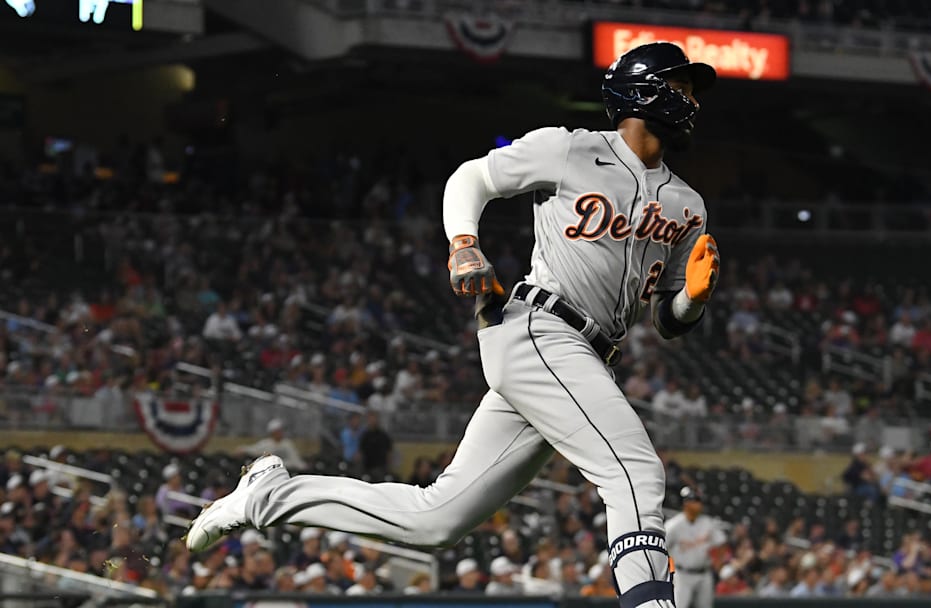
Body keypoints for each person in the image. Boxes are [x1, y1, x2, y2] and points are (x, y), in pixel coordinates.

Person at [185, 41, 721, 608]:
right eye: (682, 85)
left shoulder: (689, 205)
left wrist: (691, 299)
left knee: (437, 519)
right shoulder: (570, 149)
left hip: (584, 360)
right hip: (540, 329)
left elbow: (667, 321)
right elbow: (473, 178)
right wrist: (464, 244)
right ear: (643, 87)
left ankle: (268, 497)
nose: (691, 99)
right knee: (635, 473)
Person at [665, 487, 725, 608]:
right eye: (694, 501)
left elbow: (721, 542)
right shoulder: (673, 525)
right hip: (682, 575)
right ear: (685, 503)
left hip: (704, 574)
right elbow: (662, 549)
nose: (698, 504)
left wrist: (718, 562)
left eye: (698, 501)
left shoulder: (707, 523)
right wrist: (669, 570)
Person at [236, 418, 307, 470]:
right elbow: (254, 449)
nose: (280, 433)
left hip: (287, 470)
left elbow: (294, 459)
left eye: (281, 431)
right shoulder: (267, 443)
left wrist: (303, 467)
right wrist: (242, 449)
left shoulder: (287, 444)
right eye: (278, 431)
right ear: (272, 432)